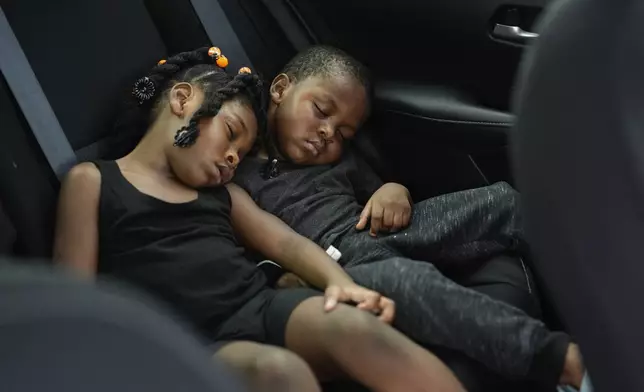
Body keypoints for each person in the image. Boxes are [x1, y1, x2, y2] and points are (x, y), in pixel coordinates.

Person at [52, 47, 464, 392]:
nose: (234, 158)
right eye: (231, 133)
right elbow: (74, 302)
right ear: (182, 100)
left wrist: (342, 284)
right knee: (279, 372)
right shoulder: (93, 181)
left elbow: (287, 244)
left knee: (355, 327)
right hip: (197, 339)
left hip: (261, 305)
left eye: (243, 151)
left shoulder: (223, 194)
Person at [233, 45, 585, 390]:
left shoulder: (340, 163)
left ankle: (610, 278)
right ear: (280, 89)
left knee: (504, 201)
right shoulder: (235, 171)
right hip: (337, 267)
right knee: (408, 280)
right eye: (322, 111)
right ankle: (561, 362)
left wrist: (393, 190)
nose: (329, 133)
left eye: (343, 134)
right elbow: (248, 245)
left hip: (378, 230)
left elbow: (382, 191)